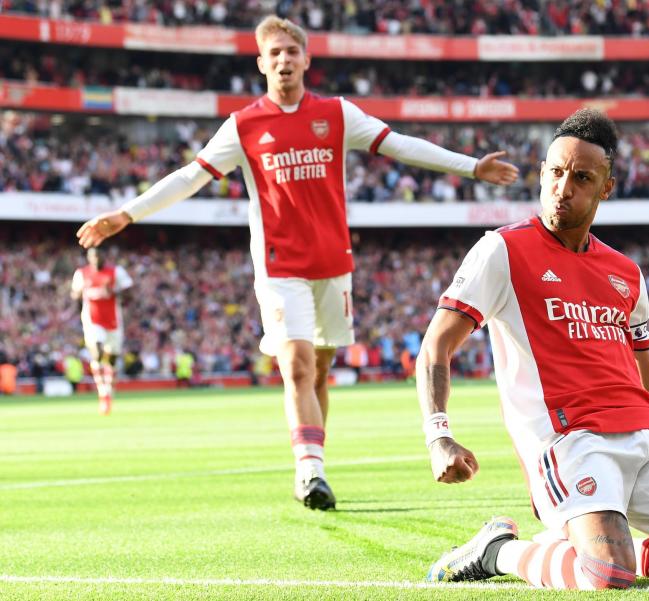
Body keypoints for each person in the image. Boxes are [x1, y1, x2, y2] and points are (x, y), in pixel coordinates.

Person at [76, 16, 518, 511]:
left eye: (292, 51)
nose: (284, 59)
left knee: (321, 369)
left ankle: (312, 460)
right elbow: (189, 176)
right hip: (278, 266)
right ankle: (310, 472)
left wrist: (470, 165)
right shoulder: (243, 126)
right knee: (297, 364)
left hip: (333, 266)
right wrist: (126, 214)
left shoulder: (337, 114)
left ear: (306, 59)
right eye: (275, 53)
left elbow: (399, 146)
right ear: (262, 64)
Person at [416, 109, 649, 590]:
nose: (564, 187)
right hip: (572, 440)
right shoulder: (501, 251)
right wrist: (438, 435)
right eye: (555, 172)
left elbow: (648, 379)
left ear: (606, 188)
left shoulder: (626, 272)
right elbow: (436, 345)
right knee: (606, 574)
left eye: (582, 177)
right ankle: (499, 551)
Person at [70, 247, 133, 414]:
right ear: (89, 258)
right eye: (93, 256)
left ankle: (108, 391)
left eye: (99, 255)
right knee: (96, 353)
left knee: (111, 359)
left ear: (104, 256)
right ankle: (103, 393)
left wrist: (114, 292)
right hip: (92, 319)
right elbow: (75, 295)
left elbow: (129, 294)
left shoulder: (115, 272)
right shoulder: (81, 274)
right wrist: (78, 297)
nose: (96, 259)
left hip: (113, 320)